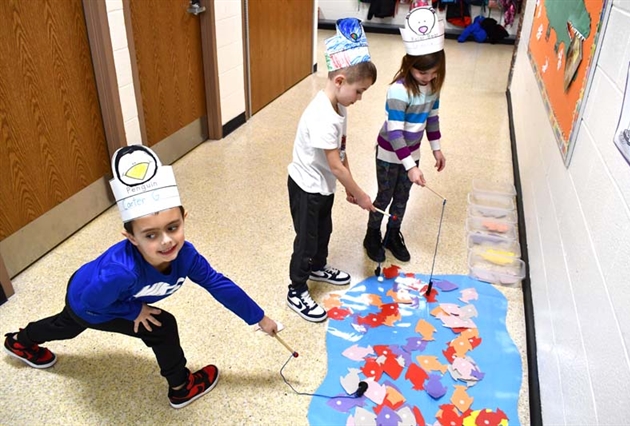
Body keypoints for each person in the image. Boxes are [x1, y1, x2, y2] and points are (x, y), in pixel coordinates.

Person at [3, 145, 279, 409]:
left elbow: (219, 285)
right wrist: (133, 310)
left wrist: (259, 317)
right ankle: (181, 388)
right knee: (127, 324)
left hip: (100, 290)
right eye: (151, 235)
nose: (167, 241)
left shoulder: (186, 255)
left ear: (184, 218)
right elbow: (91, 303)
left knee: (67, 325)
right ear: (131, 238)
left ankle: (20, 341)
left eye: (173, 227)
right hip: (88, 299)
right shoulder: (120, 272)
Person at [286, 18, 378, 323]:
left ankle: (317, 266)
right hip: (307, 187)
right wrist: (361, 194)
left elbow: (341, 152)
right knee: (307, 239)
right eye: (359, 91)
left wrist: (350, 189)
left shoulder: (340, 107)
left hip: (322, 184)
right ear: (339, 81)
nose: (360, 98)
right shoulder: (323, 115)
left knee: (323, 230)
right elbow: (336, 167)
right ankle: (296, 288)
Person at [363, 5, 447, 263]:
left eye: (434, 73)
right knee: (384, 197)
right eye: (423, 72)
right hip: (390, 154)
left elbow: (432, 118)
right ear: (409, 65)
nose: (429, 77)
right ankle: (372, 234)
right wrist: (410, 166)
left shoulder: (432, 86)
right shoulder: (398, 91)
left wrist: (436, 148)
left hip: (412, 153)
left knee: (402, 198)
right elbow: (395, 133)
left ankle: (393, 234)